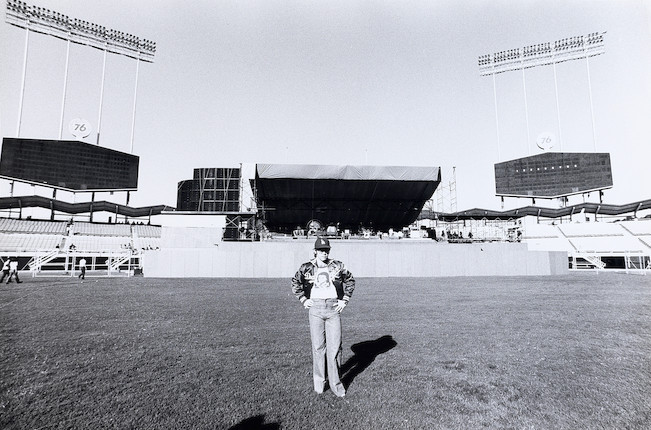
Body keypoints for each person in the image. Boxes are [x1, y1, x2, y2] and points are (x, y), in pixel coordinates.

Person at [291, 237, 355, 397]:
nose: (324, 253)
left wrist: (344, 300)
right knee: (318, 348)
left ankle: (336, 385)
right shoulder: (306, 267)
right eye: (321, 250)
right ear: (315, 251)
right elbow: (295, 283)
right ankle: (319, 385)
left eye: (326, 250)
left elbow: (350, 280)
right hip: (316, 309)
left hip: (333, 308)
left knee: (335, 348)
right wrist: (303, 299)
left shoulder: (338, 265)